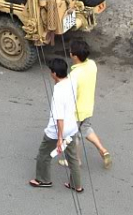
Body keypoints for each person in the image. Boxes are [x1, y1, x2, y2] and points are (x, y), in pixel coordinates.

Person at [29, 58, 82, 192]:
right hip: (72, 127)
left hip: (57, 131)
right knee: (73, 158)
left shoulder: (58, 92)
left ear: (55, 74)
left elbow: (59, 119)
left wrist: (59, 138)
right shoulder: (72, 82)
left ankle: (42, 179)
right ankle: (77, 185)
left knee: (44, 154)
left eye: (51, 72)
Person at [69, 39, 112, 168]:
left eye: (70, 52)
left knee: (74, 136)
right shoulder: (92, 64)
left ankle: (76, 161)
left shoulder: (74, 75)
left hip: (77, 111)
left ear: (75, 56)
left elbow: (70, 96)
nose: (69, 53)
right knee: (86, 128)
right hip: (88, 106)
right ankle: (103, 150)